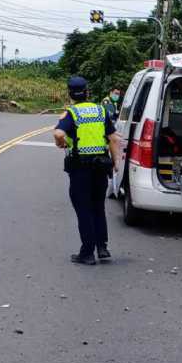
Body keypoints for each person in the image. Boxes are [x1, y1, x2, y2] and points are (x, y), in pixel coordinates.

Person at [54, 76, 121, 265]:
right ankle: (102, 248)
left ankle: (87, 253)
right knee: (98, 207)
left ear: (70, 93)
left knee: (84, 210)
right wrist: (116, 163)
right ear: (87, 91)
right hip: (101, 167)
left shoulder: (72, 113)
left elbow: (58, 133)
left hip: (80, 169)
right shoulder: (100, 110)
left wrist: (61, 143)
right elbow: (114, 139)